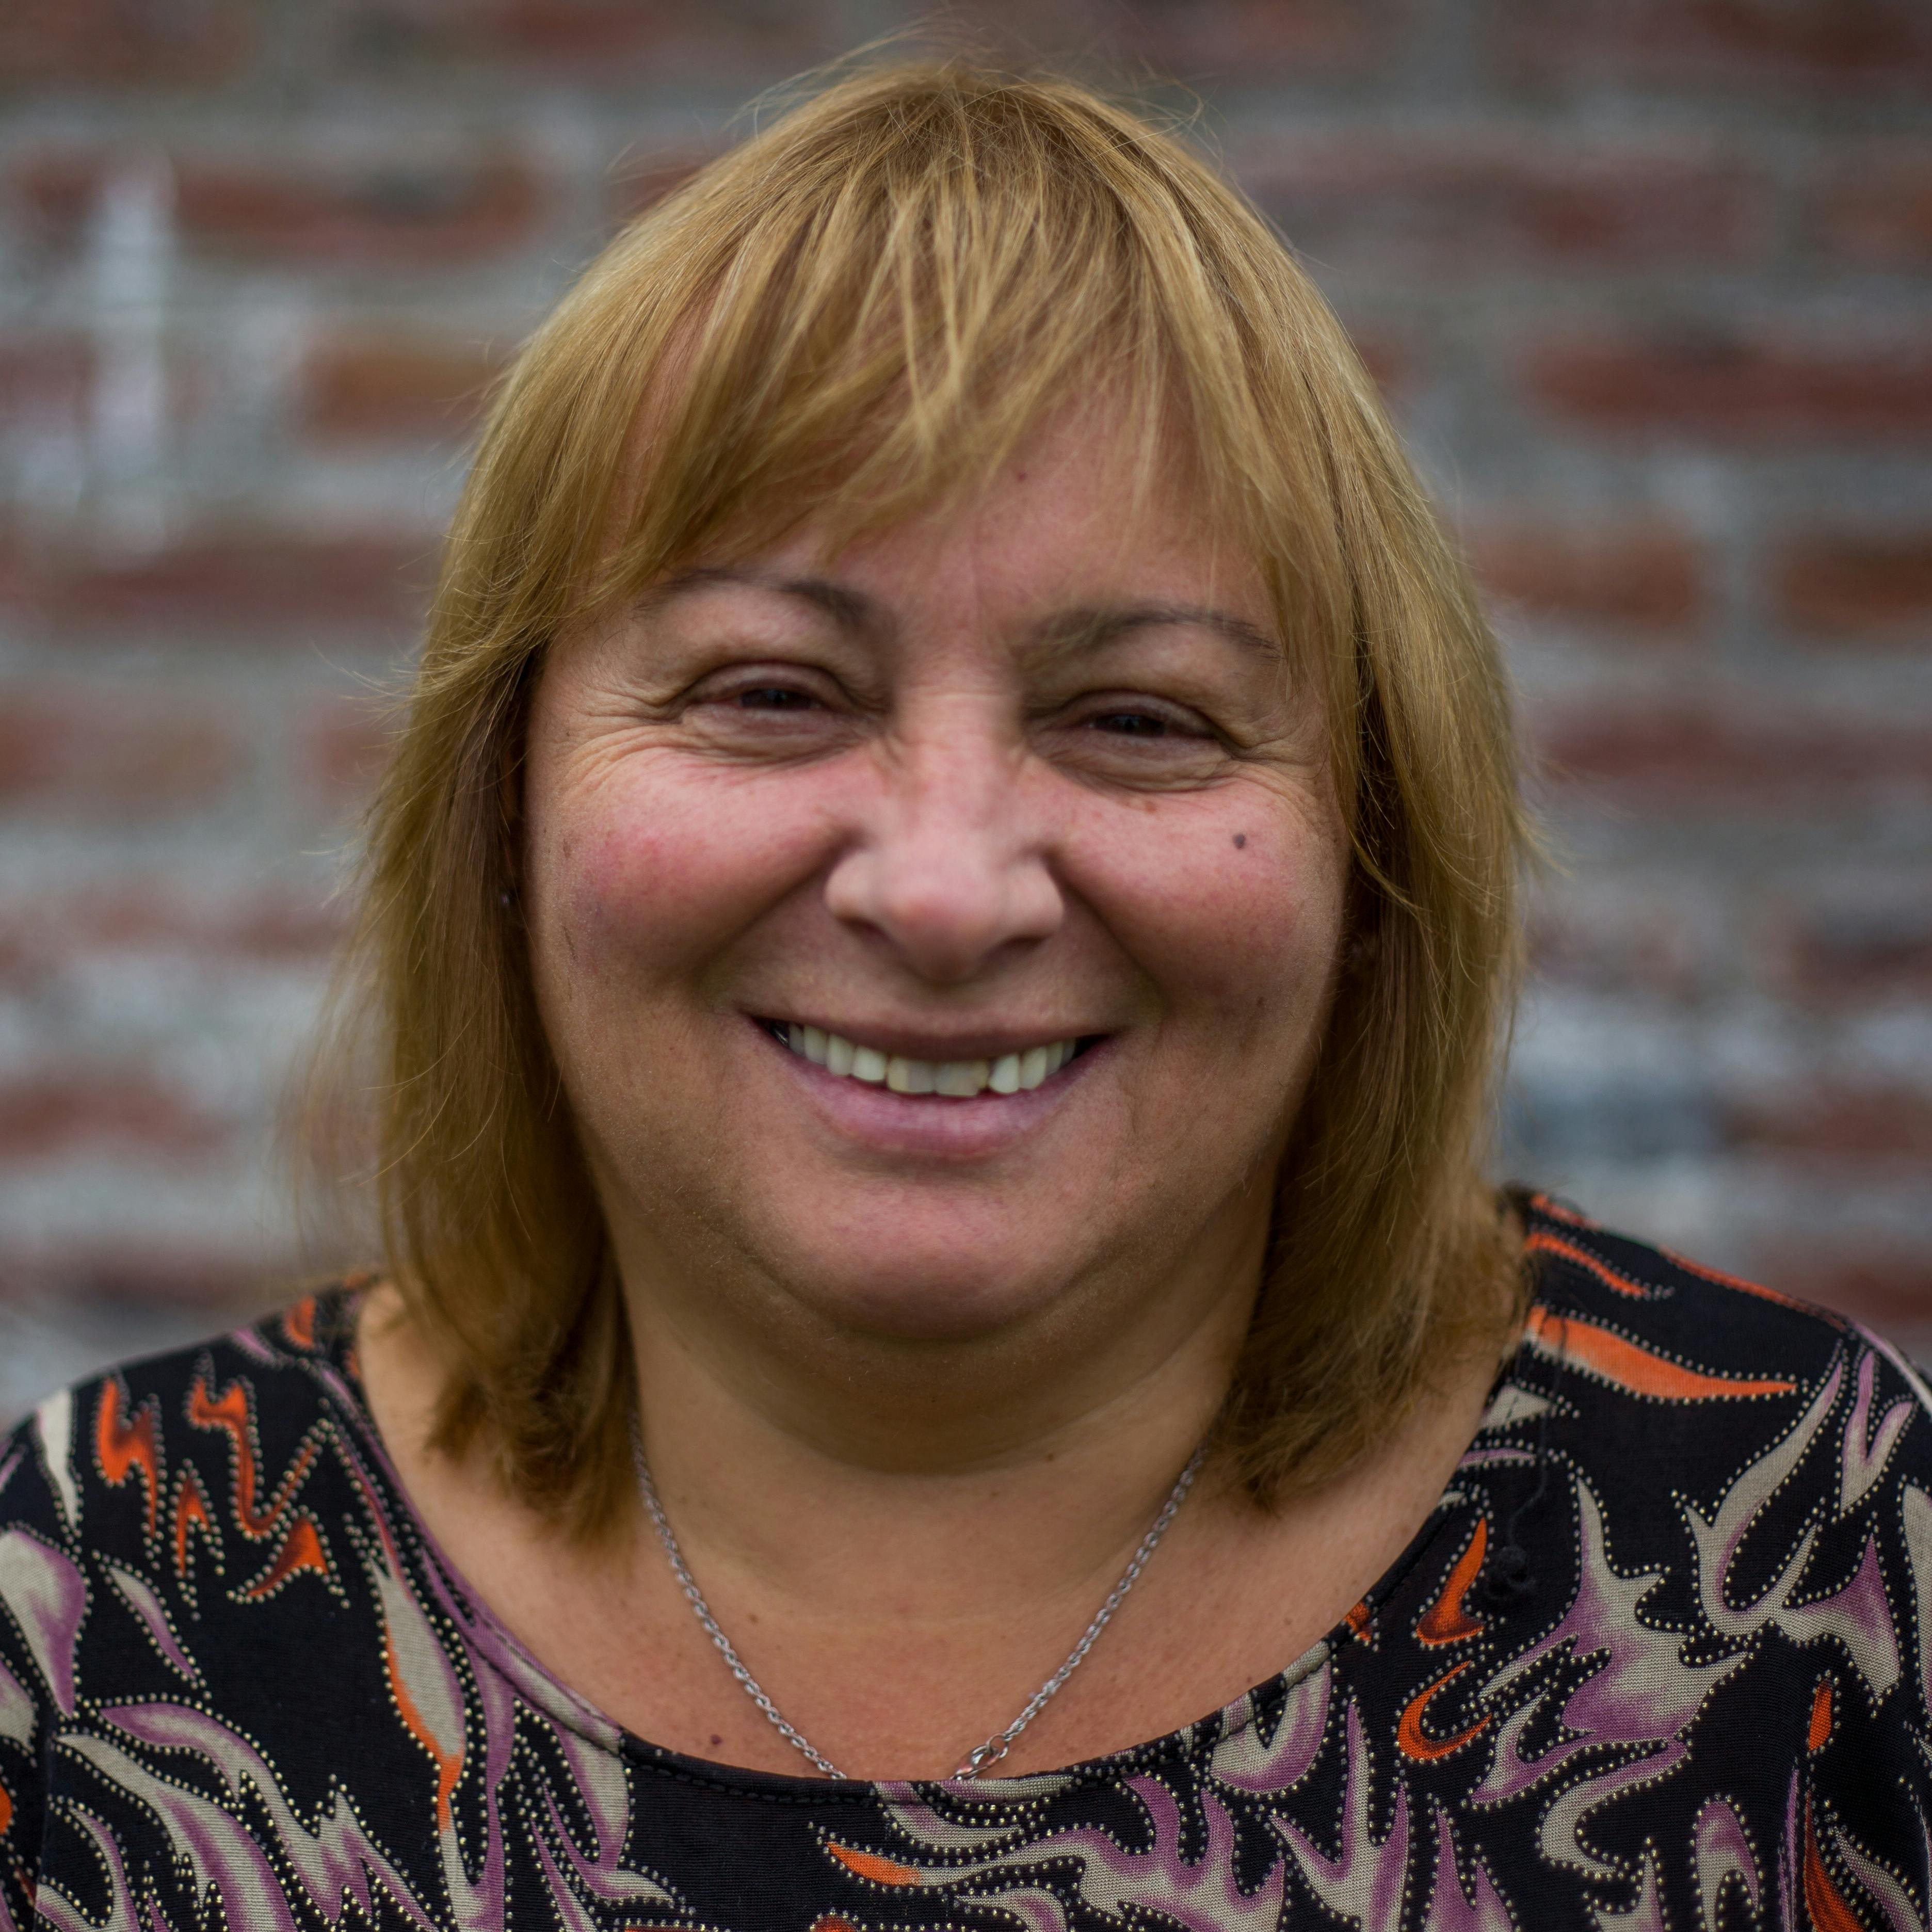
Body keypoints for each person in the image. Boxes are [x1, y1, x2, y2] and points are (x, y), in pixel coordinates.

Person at [0, 61, 1924, 1931]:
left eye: (1139, 719)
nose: (942, 890)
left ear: (1371, 857)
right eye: (771, 692)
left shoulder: (1806, 1575)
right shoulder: (98, 1620)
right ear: (506, 798)